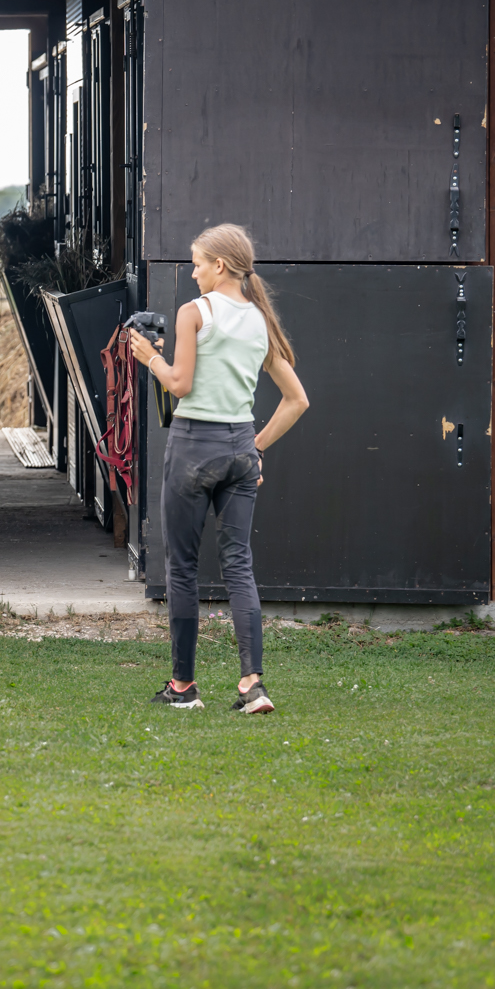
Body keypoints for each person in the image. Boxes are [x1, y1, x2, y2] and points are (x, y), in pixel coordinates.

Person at [130, 223, 310, 714]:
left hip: (192, 446)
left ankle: (183, 687)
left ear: (220, 266)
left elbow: (180, 384)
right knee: (239, 565)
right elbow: (297, 401)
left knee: (182, 568)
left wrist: (149, 358)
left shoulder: (195, 313)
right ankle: (253, 685)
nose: (192, 274)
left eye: (197, 263)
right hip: (238, 448)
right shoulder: (260, 321)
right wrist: (255, 446)